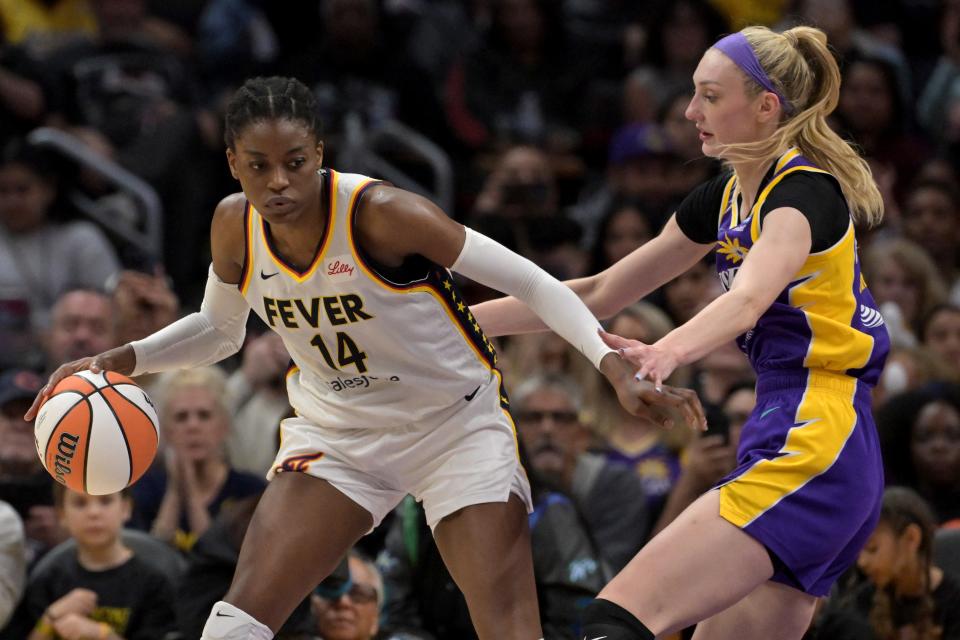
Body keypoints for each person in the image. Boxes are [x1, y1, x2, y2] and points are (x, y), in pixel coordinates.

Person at [28, 76, 703, 640]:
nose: (279, 182)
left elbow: (529, 280)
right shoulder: (233, 224)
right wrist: (119, 359)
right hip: (340, 432)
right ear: (233, 162)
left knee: (507, 630)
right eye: (258, 166)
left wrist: (607, 362)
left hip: (454, 427)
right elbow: (219, 329)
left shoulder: (382, 213)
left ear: (318, 152)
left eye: (295, 161)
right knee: (234, 623)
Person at [472, 25, 890, 639]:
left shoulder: (804, 192)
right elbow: (599, 292)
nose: (690, 111)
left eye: (710, 96)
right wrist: (447, 319)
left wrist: (664, 351)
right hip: (803, 435)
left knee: (613, 621)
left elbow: (748, 301)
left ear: (766, 107)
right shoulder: (721, 198)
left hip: (818, 437)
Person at [18, 485, 176, 640]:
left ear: (126, 508)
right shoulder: (47, 579)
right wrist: (50, 618)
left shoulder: (154, 583)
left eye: (106, 501)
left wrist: (102, 634)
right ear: (62, 515)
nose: (94, 513)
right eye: (80, 503)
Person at [814, 486, 960, 640]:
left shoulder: (955, 601)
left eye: (872, 549)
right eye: (858, 551)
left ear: (911, 538)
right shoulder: (862, 603)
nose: (862, 562)